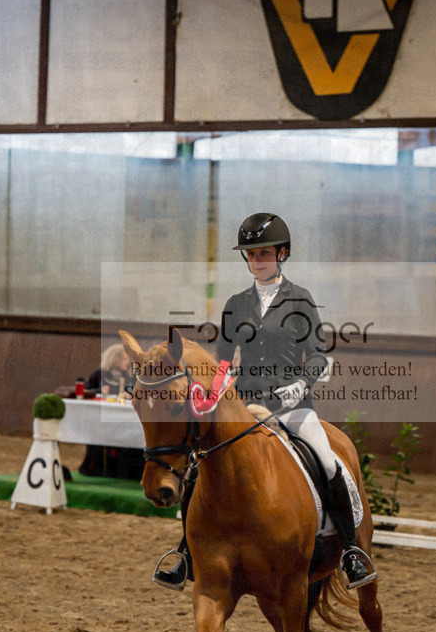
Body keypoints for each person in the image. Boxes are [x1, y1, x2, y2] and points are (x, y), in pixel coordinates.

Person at [155, 212, 377, 591]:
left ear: (281, 254)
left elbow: (319, 355)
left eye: (264, 253)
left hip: (293, 406)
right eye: (251, 254)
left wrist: (301, 384)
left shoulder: (301, 299)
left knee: (327, 462)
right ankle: (186, 552)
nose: (257, 261)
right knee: (200, 464)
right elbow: (224, 360)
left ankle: (351, 552)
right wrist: (215, 393)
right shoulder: (235, 304)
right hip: (245, 406)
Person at [78, 343, 142, 479]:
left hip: (125, 421)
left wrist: (133, 395)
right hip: (101, 420)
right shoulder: (100, 374)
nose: (128, 362)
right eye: (125, 359)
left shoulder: (132, 377)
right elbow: (85, 392)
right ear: (115, 359)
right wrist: (99, 391)